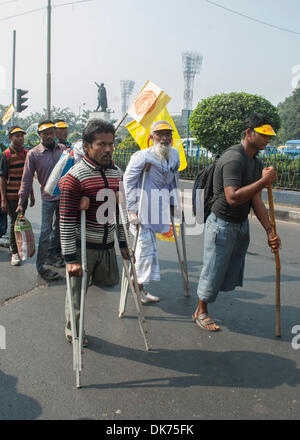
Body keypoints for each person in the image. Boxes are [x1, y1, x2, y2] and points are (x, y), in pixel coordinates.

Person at [193, 113, 282, 331]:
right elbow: (232, 198)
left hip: (240, 223)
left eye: (269, 136)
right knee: (213, 268)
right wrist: (263, 181)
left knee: (227, 268)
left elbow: (255, 199)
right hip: (222, 223)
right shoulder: (234, 158)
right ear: (249, 133)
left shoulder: (254, 161)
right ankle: (200, 311)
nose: (267, 140)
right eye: (263, 135)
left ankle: (204, 305)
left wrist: (270, 231)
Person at [59, 118, 130, 346]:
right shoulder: (75, 178)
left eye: (111, 144)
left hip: (107, 244)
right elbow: (66, 222)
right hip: (83, 246)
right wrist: (70, 259)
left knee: (109, 281)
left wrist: (124, 245)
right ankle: (74, 330)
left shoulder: (116, 174)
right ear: (87, 146)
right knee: (77, 293)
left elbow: (119, 214)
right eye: (101, 144)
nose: (108, 149)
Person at [123, 120, 181, 304]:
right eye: (159, 134)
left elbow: (173, 181)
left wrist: (174, 204)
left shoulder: (174, 155)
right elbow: (128, 182)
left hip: (158, 208)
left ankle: (140, 287)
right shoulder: (142, 156)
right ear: (152, 137)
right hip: (139, 209)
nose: (164, 138)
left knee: (149, 249)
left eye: (167, 134)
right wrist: (131, 210)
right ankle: (136, 284)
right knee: (144, 248)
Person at [18, 121, 66, 281]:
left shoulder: (63, 150)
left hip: (64, 197)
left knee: (60, 228)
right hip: (48, 198)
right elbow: (26, 178)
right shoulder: (34, 153)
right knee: (45, 232)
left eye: (51, 132)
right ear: (39, 135)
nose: (48, 135)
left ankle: (53, 254)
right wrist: (21, 200)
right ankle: (40, 267)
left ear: (55, 133)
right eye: (45, 133)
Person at [0, 126, 35, 265]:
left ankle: (17, 249)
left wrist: (31, 195)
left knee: (19, 222)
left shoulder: (27, 154)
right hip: (11, 195)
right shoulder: (6, 154)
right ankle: (14, 252)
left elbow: (28, 176)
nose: (20, 138)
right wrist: (3, 199)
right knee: (15, 222)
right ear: (11, 138)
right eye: (17, 135)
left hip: (23, 196)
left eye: (22, 135)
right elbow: (2, 178)